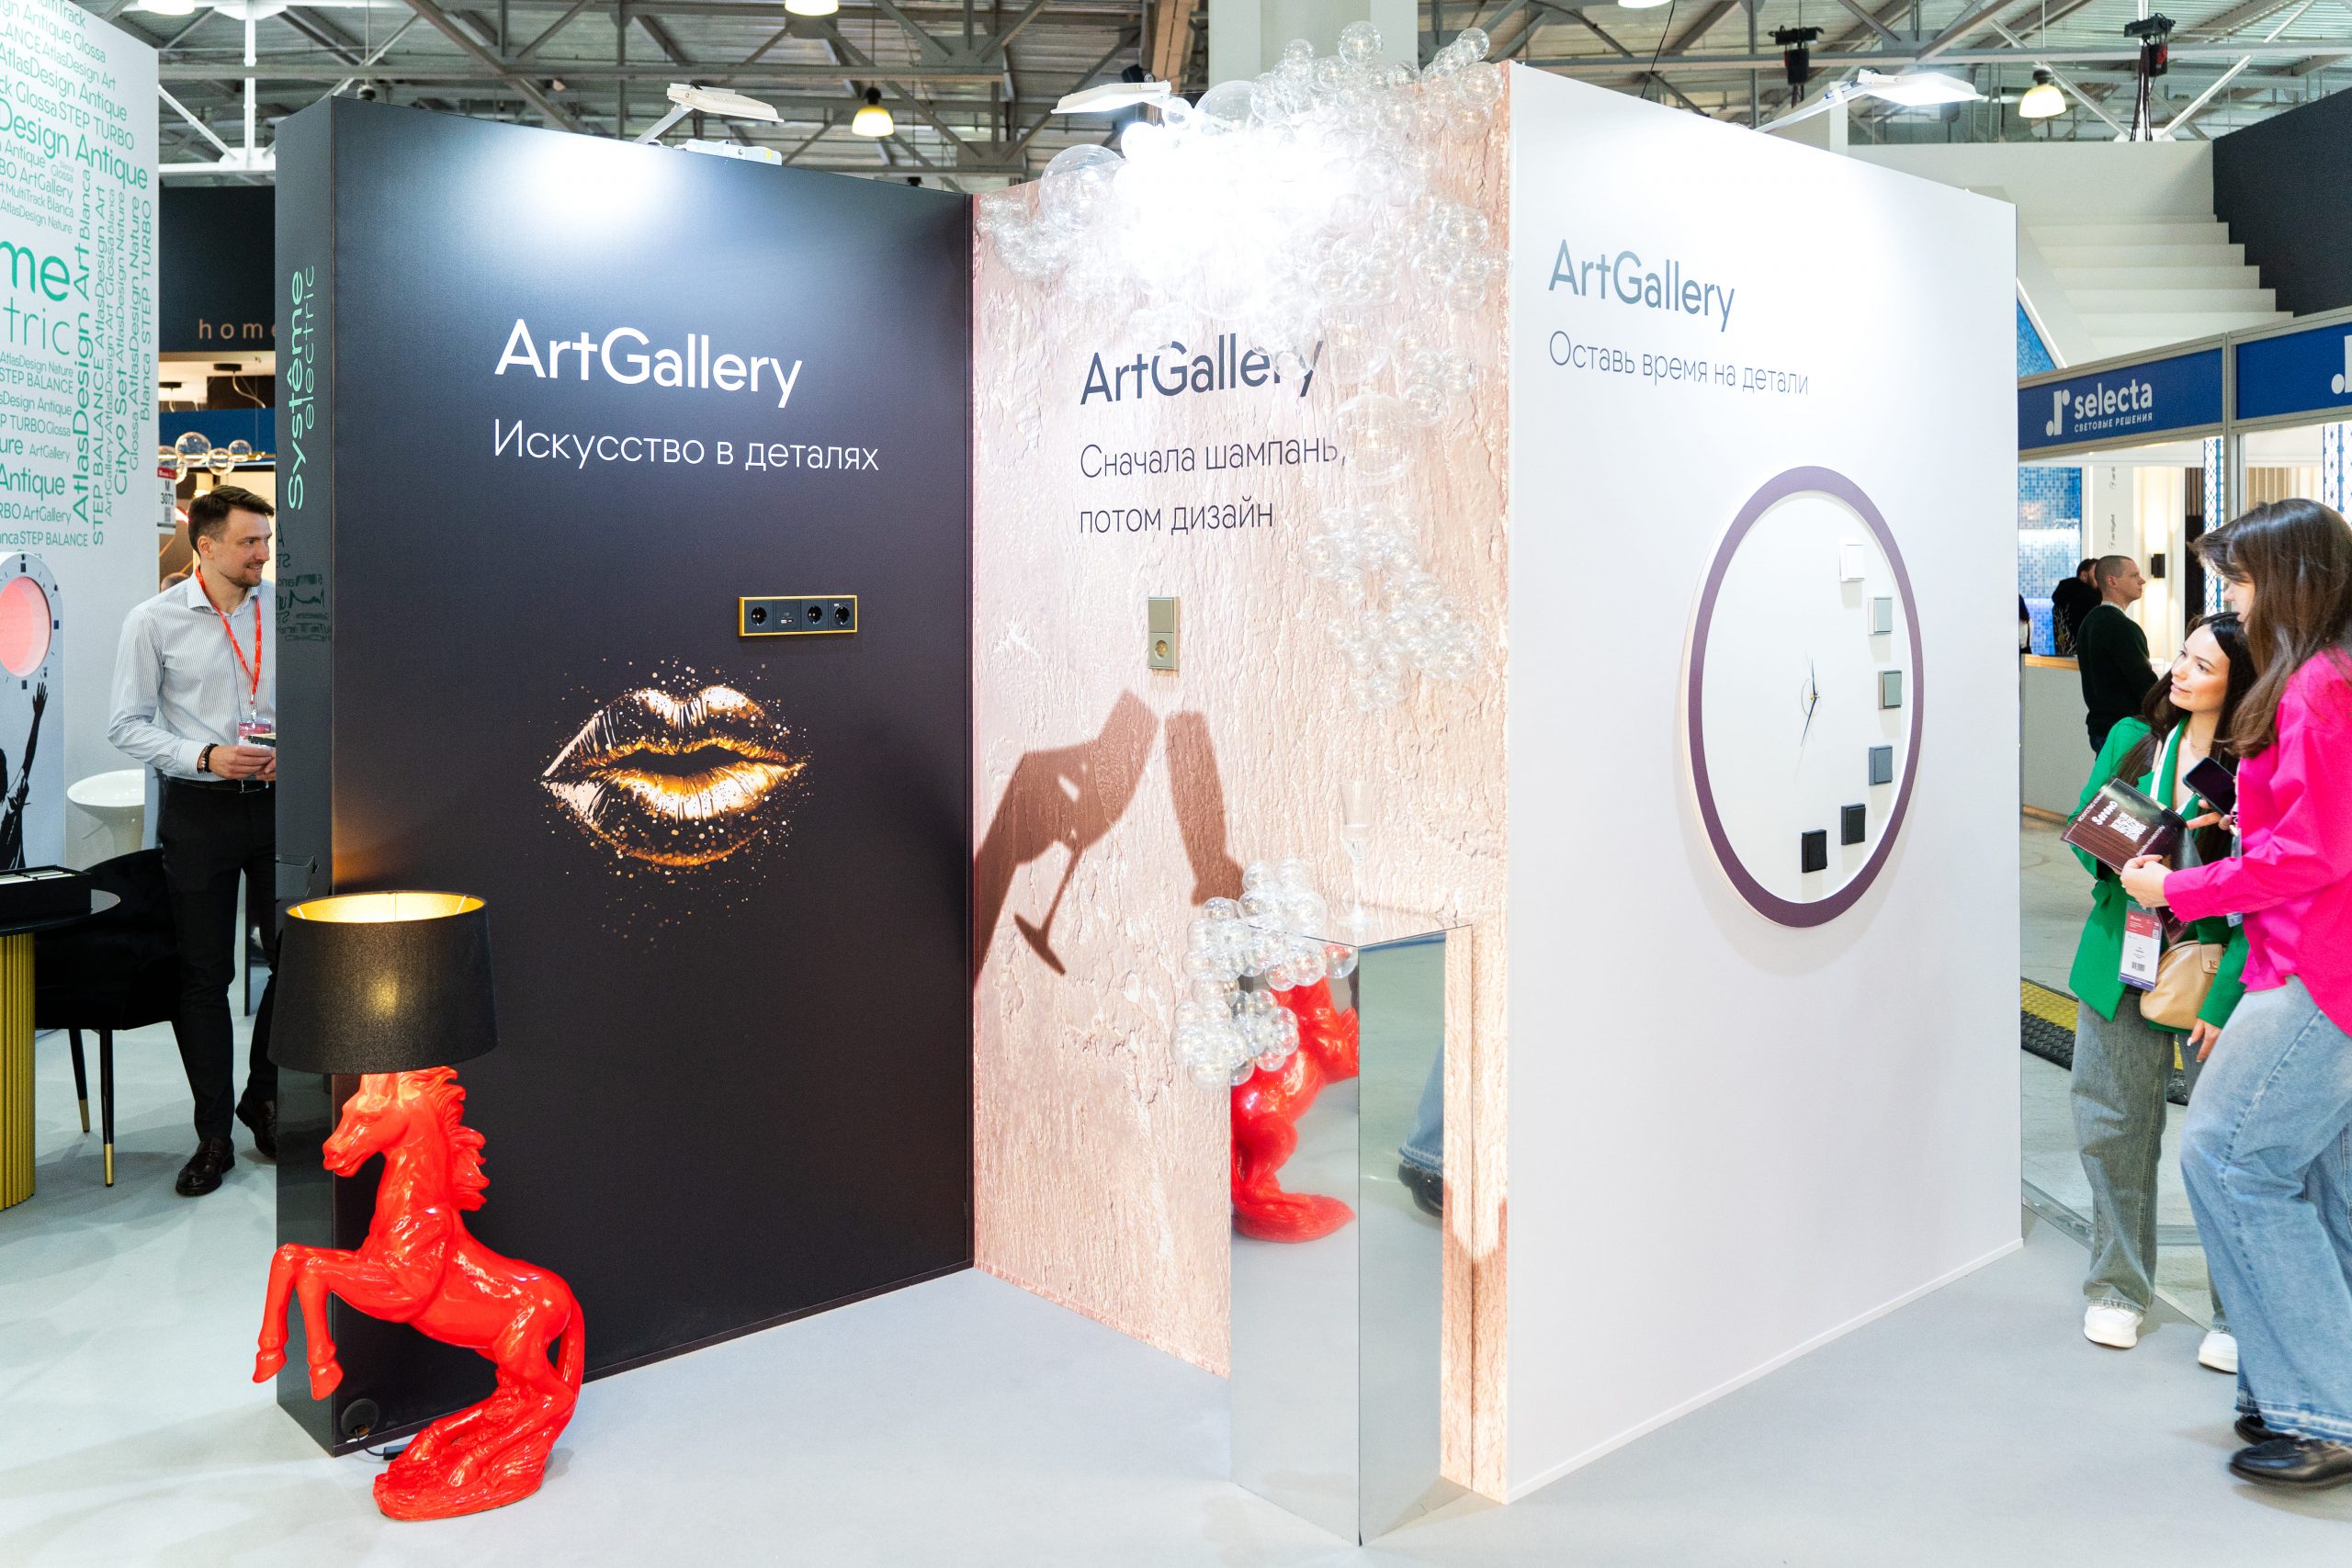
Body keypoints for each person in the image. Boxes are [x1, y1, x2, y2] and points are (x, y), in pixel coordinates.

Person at [2120, 498, 2352, 1491]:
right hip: (2311, 962)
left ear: (2292, 579)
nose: (2235, 602)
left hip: (2315, 969)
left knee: (2228, 1160)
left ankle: (2321, 1408)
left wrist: (2180, 888)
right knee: (2316, 1180)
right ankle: (2303, 1387)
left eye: (2244, 582)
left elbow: (2311, 855)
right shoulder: (2318, 679)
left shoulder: (2317, 688)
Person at [2065, 612, 2250, 1371]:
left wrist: (2225, 1001)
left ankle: (2237, 1311)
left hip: (2215, 974)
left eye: (2203, 665)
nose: (2180, 671)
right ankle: (2117, 1287)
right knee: (2111, 1123)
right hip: (2121, 955)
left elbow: (2266, 890)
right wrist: (2125, 856)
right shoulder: (2132, 740)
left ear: (2241, 684)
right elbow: (2083, 835)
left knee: (2225, 1146)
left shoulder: (2260, 764)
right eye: (2181, 655)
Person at [106, 485, 279, 1198]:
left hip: (280, 808)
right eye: (248, 542)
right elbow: (125, 724)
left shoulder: (286, 611)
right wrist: (204, 755)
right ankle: (213, 1134)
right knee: (205, 975)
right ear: (206, 547)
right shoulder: (153, 621)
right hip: (199, 813)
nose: (262, 554)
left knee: (295, 958)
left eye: (265, 540)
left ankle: (263, 1096)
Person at [2076, 555, 2158, 751]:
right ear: (2112, 581)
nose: (2142, 580)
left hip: (2101, 728)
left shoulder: (2090, 621)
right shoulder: (2121, 626)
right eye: (2134, 575)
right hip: (2125, 730)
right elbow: (2145, 685)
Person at [2053, 558, 2099, 654]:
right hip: (2085, 659)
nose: (2100, 576)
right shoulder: (2088, 601)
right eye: (2096, 572)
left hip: (2064, 658)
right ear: (2084, 575)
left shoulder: (2061, 600)